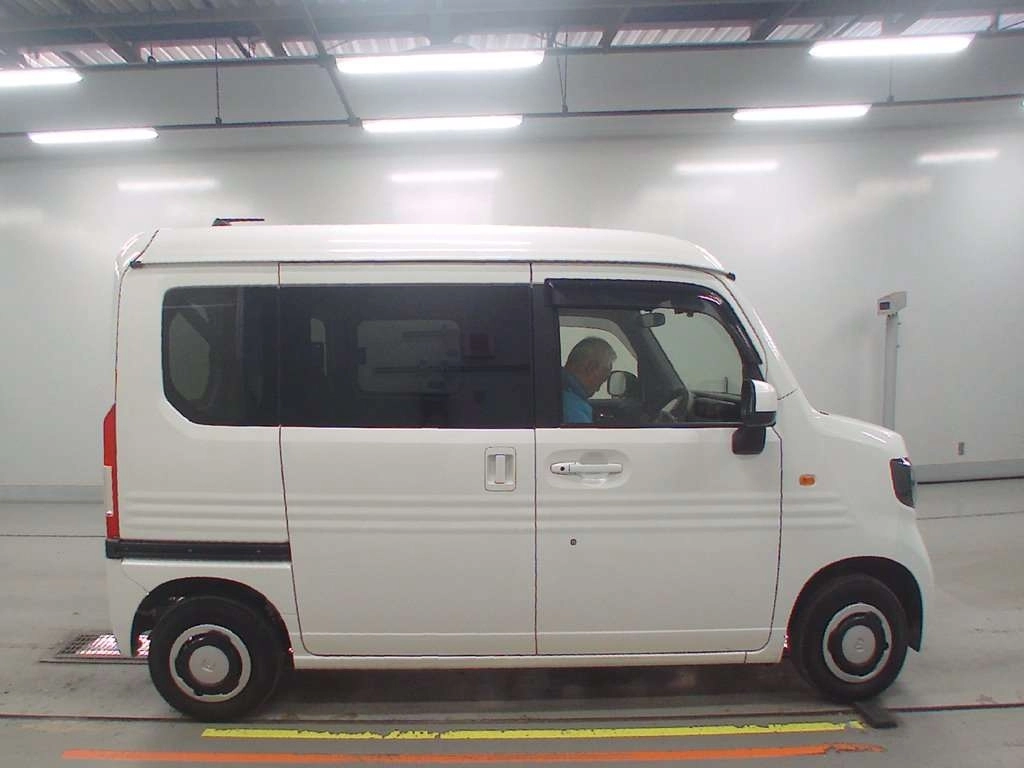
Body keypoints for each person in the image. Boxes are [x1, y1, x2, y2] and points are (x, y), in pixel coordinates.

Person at [562, 337, 616, 424]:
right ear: (591, 367)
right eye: (602, 379)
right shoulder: (573, 407)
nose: (598, 389)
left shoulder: (560, 391)